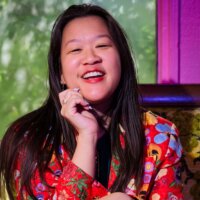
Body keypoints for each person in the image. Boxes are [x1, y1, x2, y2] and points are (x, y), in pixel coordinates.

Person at [0, 4, 183, 200]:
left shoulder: (160, 136)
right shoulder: (29, 139)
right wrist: (87, 137)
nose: (90, 58)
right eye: (76, 49)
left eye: (102, 46)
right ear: (60, 72)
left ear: (122, 60)